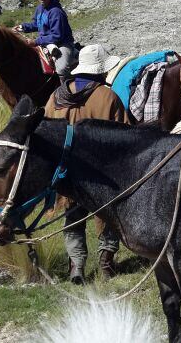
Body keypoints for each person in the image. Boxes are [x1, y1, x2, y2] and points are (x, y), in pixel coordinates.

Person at [43, 44, 130, 284]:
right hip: (101, 173)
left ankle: (77, 268)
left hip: (66, 173)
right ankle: (106, 263)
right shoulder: (107, 96)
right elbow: (124, 135)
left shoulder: (56, 97)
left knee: (72, 219)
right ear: (101, 70)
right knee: (108, 217)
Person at [14, 0, 76, 75]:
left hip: (62, 43)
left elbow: (57, 36)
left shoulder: (56, 12)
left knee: (62, 68)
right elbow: (36, 24)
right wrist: (23, 27)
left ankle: (65, 88)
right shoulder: (40, 8)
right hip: (45, 42)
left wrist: (36, 41)